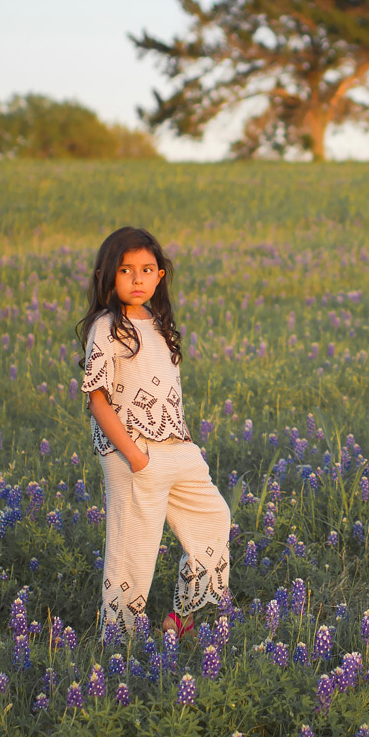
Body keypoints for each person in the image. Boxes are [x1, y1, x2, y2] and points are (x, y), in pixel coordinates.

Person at [80, 225, 233, 643]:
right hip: (132, 451)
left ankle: (184, 615)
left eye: (147, 270)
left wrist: (184, 447)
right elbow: (98, 399)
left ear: (159, 276)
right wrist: (134, 455)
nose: (137, 279)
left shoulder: (158, 322)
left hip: (176, 448)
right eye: (126, 270)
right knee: (134, 550)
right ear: (107, 276)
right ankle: (121, 643)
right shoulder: (107, 326)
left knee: (214, 520)